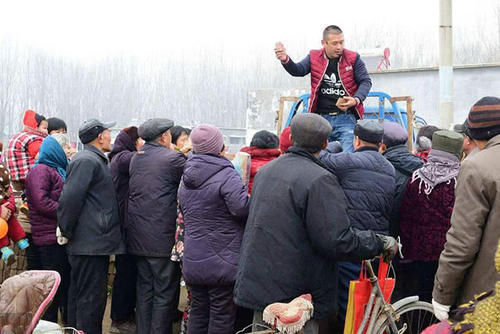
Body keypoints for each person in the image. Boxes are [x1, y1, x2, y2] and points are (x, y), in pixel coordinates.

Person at [234, 113, 398, 334]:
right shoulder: (320, 179)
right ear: (325, 143)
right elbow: (336, 240)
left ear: (291, 138)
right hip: (296, 293)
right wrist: (376, 242)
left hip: (260, 283)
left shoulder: (266, 172)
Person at [319, 119, 395, 328]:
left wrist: (335, 144)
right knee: (370, 303)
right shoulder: (389, 168)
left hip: (353, 243)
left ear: (356, 140)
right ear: (380, 144)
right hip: (378, 245)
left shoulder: (347, 161)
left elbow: (322, 156)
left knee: (348, 303)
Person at [432, 96, 500, 321]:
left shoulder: (476, 167)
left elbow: (462, 242)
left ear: (475, 137)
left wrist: (442, 294)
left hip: (488, 297)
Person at [178, 124, 250, 334]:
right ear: (218, 146)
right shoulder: (226, 174)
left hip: (194, 258)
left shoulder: (186, 177)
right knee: (221, 314)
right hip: (223, 262)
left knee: (198, 312)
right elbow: (240, 209)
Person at [57, 119, 125, 334]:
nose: (110, 136)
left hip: (92, 242)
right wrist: (65, 230)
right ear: (99, 136)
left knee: (82, 296)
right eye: (107, 132)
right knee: (90, 300)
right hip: (90, 243)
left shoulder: (95, 159)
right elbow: (70, 199)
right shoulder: (87, 161)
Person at [127, 118, 187, 334]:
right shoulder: (173, 158)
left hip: (137, 236)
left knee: (144, 290)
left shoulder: (136, 158)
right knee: (164, 292)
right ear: (163, 137)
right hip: (161, 238)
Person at [275, 25, 372, 152]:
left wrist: (356, 100)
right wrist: (285, 60)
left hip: (346, 117)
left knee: (348, 155)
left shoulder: (353, 58)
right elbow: (298, 70)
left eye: (342, 42)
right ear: (324, 43)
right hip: (321, 118)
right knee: (319, 156)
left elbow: (365, 81)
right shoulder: (314, 57)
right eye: (335, 43)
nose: (339, 47)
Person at [398, 130, 463, 303]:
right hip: (449, 254)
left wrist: (407, 247)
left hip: (418, 252)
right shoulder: (460, 180)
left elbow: (405, 216)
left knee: (422, 299)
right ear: (459, 154)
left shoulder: (417, 178)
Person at [25, 133, 71, 323]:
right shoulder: (41, 171)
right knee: (51, 286)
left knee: (61, 284)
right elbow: (41, 202)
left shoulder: (56, 169)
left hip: (56, 236)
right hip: (48, 238)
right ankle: (49, 324)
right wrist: (67, 210)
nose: (68, 151)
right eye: (65, 148)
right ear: (55, 150)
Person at [108, 126, 141, 334]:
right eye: (140, 141)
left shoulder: (117, 157)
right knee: (126, 274)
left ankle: (124, 315)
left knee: (127, 272)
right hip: (125, 225)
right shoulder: (123, 158)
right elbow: (143, 160)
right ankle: (119, 319)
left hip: (124, 223)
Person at [6, 109, 48, 270]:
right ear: (35, 126)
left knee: (32, 255)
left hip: (18, 182)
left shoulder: (15, 137)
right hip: (31, 180)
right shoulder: (33, 139)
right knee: (36, 257)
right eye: (44, 128)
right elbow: (40, 155)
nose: (45, 132)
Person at [379, 121, 424, 237]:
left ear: (382, 146)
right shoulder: (421, 166)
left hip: (392, 238)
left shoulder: (383, 170)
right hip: (417, 238)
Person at [0, 164, 29, 265]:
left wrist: (8, 209)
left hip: (6, 211)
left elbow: (9, 194)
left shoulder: (2, 172)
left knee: (12, 222)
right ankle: (4, 250)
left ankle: (20, 239)